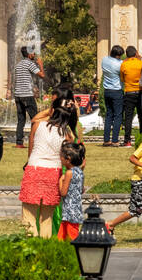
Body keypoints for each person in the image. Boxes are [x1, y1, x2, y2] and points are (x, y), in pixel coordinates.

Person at [19, 92, 77, 237]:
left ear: (53, 110)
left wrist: (52, 107)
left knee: (29, 216)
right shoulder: (67, 134)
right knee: (47, 218)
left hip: (34, 169)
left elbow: (30, 150)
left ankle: (31, 247)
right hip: (53, 173)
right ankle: (45, 247)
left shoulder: (38, 125)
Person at [11, 46, 44, 148]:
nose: (34, 55)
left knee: (21, 120)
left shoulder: (18, 65)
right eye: (33, 53)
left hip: (18, 95)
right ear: (29, 55)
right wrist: (40, 65)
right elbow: (42, 75)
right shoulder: (29, 63)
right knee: (36, 118)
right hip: (27, 95)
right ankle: (36, 141)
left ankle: (19, 143)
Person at [57, 141, 86, 240]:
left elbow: (63, 192)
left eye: (61, 156)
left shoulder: (69, 173)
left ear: (68, 159)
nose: (60, 159)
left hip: (69, 212)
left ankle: (76, 254)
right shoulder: (80, 172)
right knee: (62, 236)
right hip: (76, 210)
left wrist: (61, 180)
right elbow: (82, 190)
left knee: (72, 237)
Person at [100, 45, 125, 148]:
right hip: (117, 91)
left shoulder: (104, 60)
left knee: (109, 115)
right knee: (118, 116)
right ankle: (115, 140)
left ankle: (106, 140)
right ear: (118, 55)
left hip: (107, 91)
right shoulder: (120, 64)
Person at [119, 46, 142, 142]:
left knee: (128, 117)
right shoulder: (141, 63)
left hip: (129, 92)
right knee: (141, 116)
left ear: (126, 55)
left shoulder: (124, 65)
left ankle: (127, 140)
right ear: (135, 54)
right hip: (140, 91)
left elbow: (122, 79)